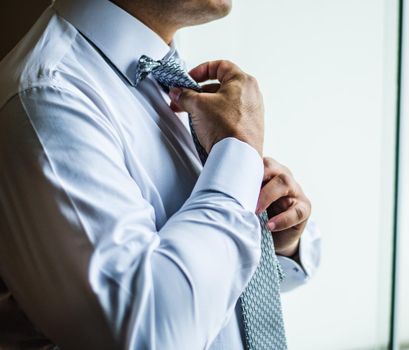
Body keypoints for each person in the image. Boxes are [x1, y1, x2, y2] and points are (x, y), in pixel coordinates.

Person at [0, 0, 321, 349]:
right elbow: (149, 332)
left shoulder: (164, 76)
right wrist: (238, 150)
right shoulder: (47, 97)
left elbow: (201, 284)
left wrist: (269, 238)